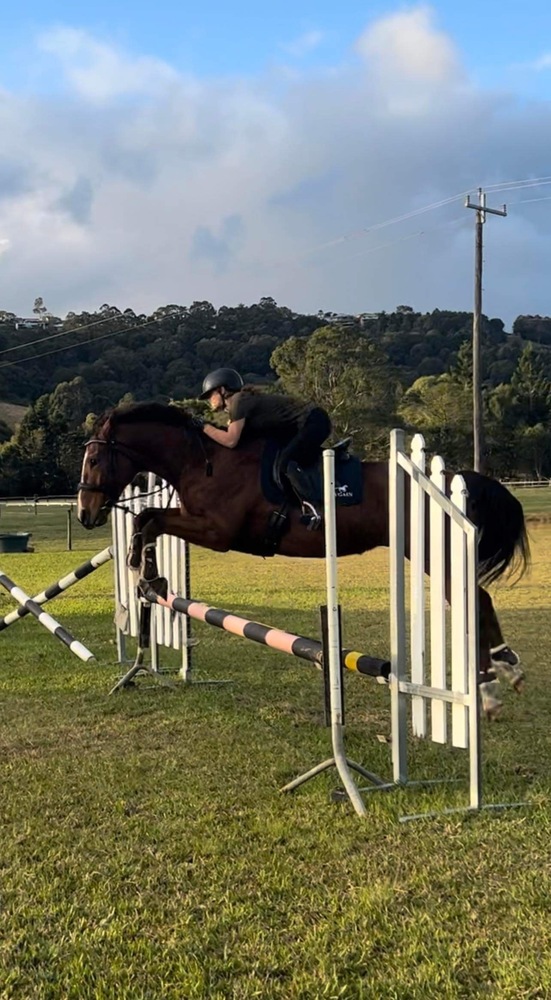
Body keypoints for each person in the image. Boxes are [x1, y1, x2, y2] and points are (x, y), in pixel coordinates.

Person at [197, 367, 332, 527]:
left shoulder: (239, 401)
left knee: (285, 463)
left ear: (222, 390)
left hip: (313, 421)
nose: (209, 400)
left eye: (210, 395)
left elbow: (231, 440)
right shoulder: (241, 403)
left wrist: (203, 427)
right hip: (303, 425)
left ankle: (315, 510)